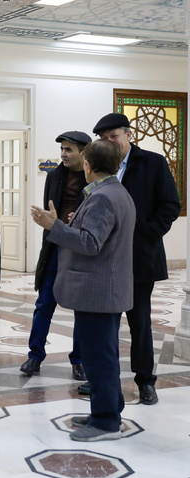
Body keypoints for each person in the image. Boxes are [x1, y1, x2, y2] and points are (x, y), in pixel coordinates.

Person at [31, 139, 135, 441]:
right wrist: (76, 224)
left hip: (99, 293)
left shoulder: (103, 197)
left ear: (88, 165)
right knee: (104, 355)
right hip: (105, 291)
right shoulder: (116, 191)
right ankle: (108, 407)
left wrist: (55, 227)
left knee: (99, 358)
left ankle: (106, 423)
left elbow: (90, 244)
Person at [90, 113, 181, 405]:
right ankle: (105, 383)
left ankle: (145, 381)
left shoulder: (152, 163)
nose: (110, 143)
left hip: (139, 259)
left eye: (114, 136)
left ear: (129, 135)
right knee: (106, 326)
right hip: (105, 260)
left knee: (139, 323)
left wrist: (145, 236)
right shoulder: (99, 165)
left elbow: (170, 206)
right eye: (104, 139)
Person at [20, 132, 90, 382]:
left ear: (84, 153)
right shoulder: (54, 176)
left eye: (69, 150)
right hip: (55, 248)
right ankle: (35, 356)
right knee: (44, 305)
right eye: (62, 149)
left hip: (80, 250)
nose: (63, 154)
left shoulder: (93, 176)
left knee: (81, 309)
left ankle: (79, 360)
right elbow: (50, 214)